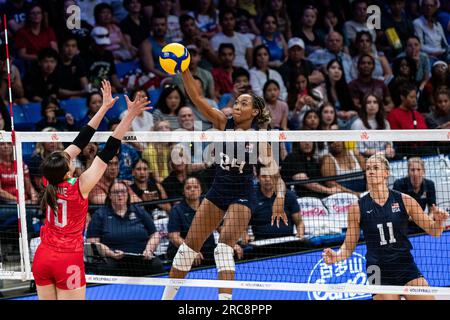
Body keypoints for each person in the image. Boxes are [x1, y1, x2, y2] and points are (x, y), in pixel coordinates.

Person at [161, 67, 286, 301]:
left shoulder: (259, 139)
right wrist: (185, 69)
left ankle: (224, 302)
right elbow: (196, 97)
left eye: (244, 104)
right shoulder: (222, 122)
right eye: (236, 102)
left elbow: (276, 175)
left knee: (224, 247)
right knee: (188, 248)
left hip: (242, 194)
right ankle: (165, 299)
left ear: (255, 111)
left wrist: (279, 199)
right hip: (218, 190)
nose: (237, 106)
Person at [32, 80, 150, 300]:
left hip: (43, 257)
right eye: (70, 161)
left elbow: (81, 139)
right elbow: (109, 150)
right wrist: (130, 115)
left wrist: (104, 108)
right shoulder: (80, 186)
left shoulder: (48, 180)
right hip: (67, 260)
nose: (72, 159)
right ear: (67, 171)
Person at [322, 154, 449, 300]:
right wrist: (337, 256)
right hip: (377, 269)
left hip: (404, 263)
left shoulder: (405, 200)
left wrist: (439, 222)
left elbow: (435, 231)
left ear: (386, 173)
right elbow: (349, 247)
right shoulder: (357, 208)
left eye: (376, 168)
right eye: (368, 168)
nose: (370, 171)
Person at [86, 181, 164, 277]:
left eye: (123, 191)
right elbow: (92, 242)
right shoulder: (100, 214)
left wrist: (149, 250)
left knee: (157, 264)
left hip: (142, 258)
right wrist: (110, 253)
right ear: (109, 196)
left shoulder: (138, 210)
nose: (120, 195)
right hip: (114, 259)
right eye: (116, 192)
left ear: (127, 194)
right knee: (105, 268)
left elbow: (155, 234)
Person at [167, 177, 217, 266]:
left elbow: (222, 228)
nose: (192, 190)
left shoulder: (209, 207)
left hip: (208, 250)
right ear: (183, 191)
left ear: (201, 190)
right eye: (188, 188)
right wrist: (190, 251)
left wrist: (231, 243)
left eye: (196, 187)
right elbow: (174, 237)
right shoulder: (177, 210)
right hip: (184, 252)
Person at [251, 166, 304, 240]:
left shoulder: (289, 195)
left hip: (288, 241)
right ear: (257, 177)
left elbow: (299, 223)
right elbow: (243, 226)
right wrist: (245, 235)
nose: (268, 179)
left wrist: (300, 234)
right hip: (261, 243)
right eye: (264, 176)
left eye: (271, 176)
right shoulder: (251, 197)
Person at [350, 94, 395, 159]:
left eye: (375, 102)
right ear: (364, 105)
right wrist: (382, 153)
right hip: (364, 160)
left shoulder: (385, 123)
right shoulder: (357, 124)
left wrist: (389, 149)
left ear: (379, 105)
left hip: (383, 159)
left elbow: (389, 143)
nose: (372, 105)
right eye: (368, 102)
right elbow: (360, 149)